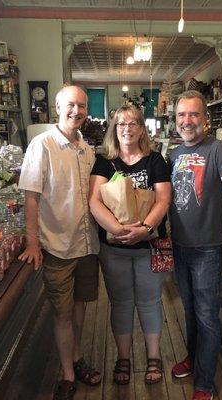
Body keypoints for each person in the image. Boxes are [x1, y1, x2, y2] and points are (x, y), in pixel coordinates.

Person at [168, 90, 222, 400]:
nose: (187, 121)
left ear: (205, 118)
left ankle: (204, 382)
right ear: (175, 120)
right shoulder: (174, 155)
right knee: (189, 311)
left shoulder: (219, 150)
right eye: (182, 115)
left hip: (206, 247)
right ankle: (194, 359)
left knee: (206, 315)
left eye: (193, 114)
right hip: (179, 245)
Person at [18, 85, 101, 400]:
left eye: (81, 105)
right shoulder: (42, 145)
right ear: (57, 106)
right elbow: (31, 198)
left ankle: (77, 358)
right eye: (70, 105)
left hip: (87, 245)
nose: (76, 111)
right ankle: (67, 373)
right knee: (62, 312)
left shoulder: (87, 149)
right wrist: (32, 243)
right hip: (58, 247)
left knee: (79, 306)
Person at [89, 104, 171, 386]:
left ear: (141, 128)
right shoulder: (104, 163)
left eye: (133, 123)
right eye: (121, 123)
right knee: (121, 303)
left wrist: (145, 229)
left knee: (150, 302)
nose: (127, 128)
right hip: (114, 249)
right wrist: (119, 230)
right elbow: (94, 201)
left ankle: (153, 357)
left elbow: (163, 200)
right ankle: (123, 357)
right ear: (114, 129)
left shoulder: (156, 161)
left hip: (149, 247)